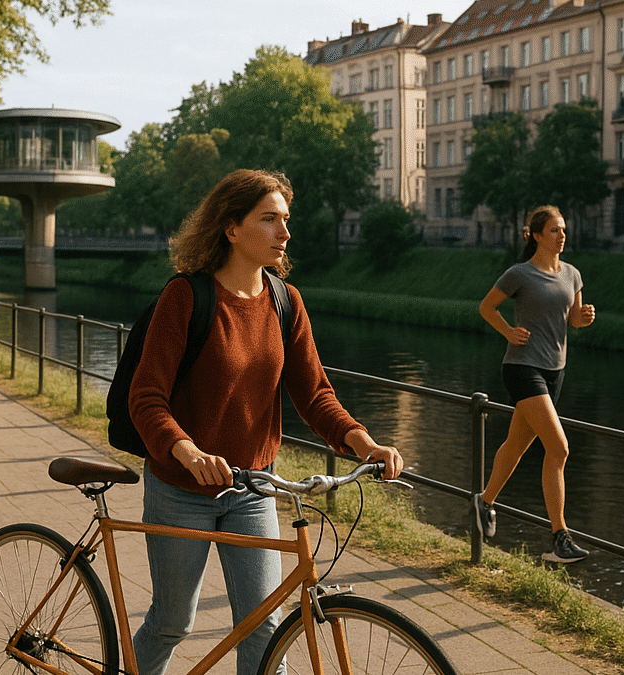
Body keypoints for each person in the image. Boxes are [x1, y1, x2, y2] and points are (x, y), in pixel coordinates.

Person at [128, 168, 405, 675]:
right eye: (270, 219)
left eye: (286, 219)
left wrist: (364, 443)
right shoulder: (186, 297)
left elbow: (315, 394)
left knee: (264, 628)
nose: (285, 232)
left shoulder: (285, 301)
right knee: (172, 622)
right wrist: (188, 451)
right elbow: (146, 398)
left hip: (254, 487)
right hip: (181, 489)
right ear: (232, 228)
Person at [473, 205, 595, 564]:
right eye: (555, 230)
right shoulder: (520, 274)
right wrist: (509, 332)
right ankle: (560, 537)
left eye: (564, 230)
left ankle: (484, 502)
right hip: (522, 367)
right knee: (559, 448)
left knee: (515, 445)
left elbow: (572, 320)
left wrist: (583, 318)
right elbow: (486, 307)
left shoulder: (572, 274)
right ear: (538, 235)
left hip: (555, 371)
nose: (562, 236)